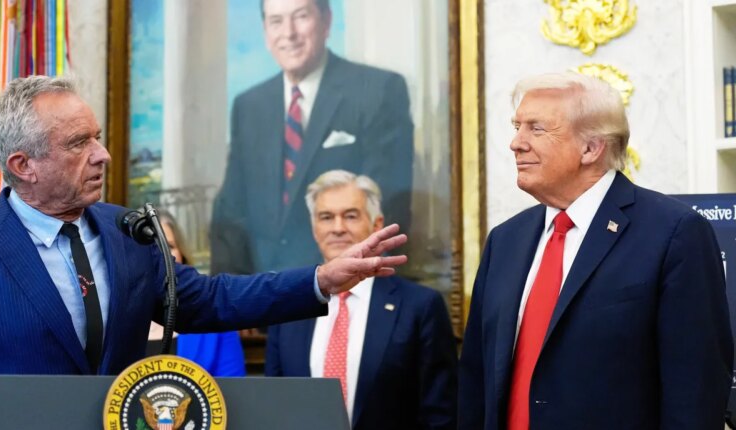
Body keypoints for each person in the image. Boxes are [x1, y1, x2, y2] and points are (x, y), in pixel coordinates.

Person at [0, 75, 408, 429]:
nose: (102, 154)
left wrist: (321, 280)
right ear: (24, 165)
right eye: (80, 143)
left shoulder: (126, 232)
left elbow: (211, 299)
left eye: (97, 136)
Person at [458, 72, 733, 429]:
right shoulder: (505, 241)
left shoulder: (674, 233)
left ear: (591, 148)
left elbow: (694, 393)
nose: (516, 143)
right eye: (517, 127)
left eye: (536, 129)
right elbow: (475, 381)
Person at [210, 0, 414, 275]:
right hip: (261, 298)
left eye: (301, 16)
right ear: (265, 32)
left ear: (326, 21)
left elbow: (388, 203)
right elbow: (232, 213)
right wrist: (226, 305)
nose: (289, 33)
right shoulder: (249, 105)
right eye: (276, 21)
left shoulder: (378, 91)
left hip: (340, 289)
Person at [266, 170, 456, 429]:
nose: (338, 228)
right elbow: (275, 407)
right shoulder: (289, 306)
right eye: (326, 217)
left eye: (351, 216)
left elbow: (440, 415)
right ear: (314, 228)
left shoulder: (419, 307)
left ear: (376, 225)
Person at [145, 210, 247, 376]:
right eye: (151, 245)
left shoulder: (218, 323)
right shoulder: (113, 320)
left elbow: (235, 393)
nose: (161, 254)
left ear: (182, 255)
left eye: (168, 246)